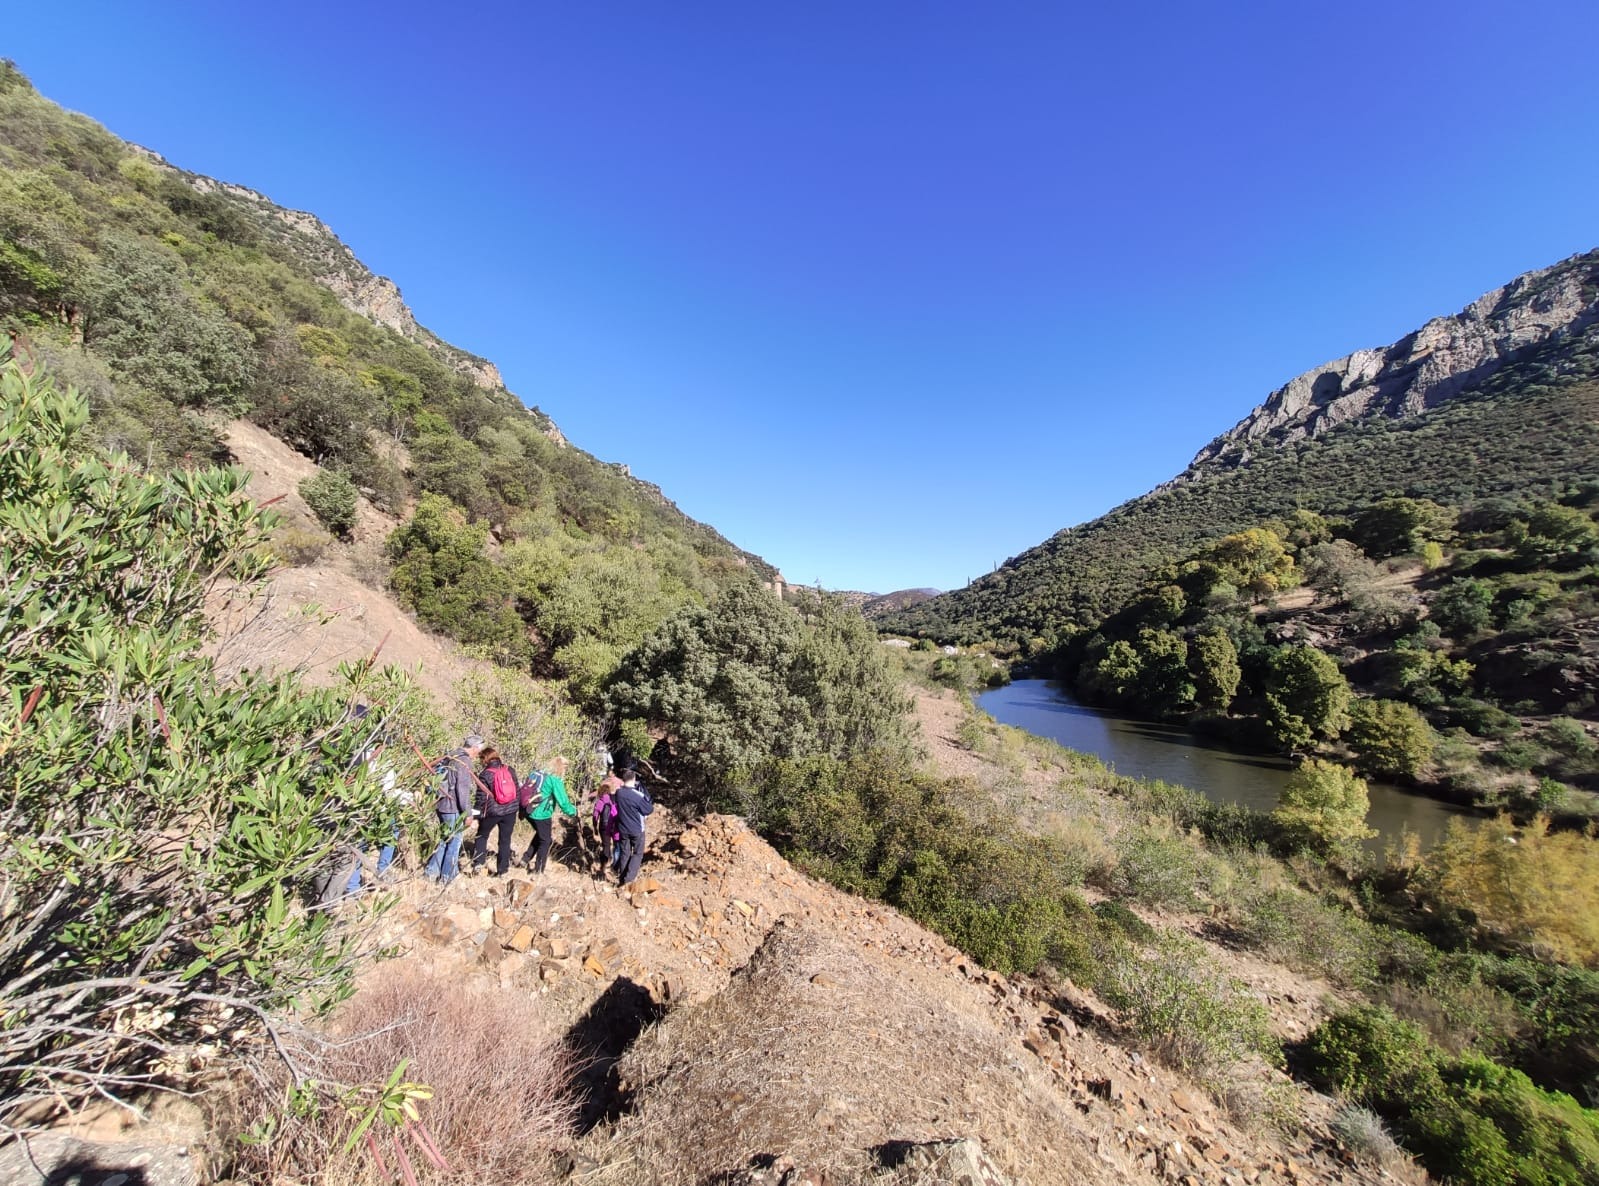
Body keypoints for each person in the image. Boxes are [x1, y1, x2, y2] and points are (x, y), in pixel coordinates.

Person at [425, 733, 482, 885]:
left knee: (445, 839)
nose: (478, 754)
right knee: (454, 842)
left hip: (441, 803)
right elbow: (462, 790)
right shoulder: (464, 761)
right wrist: (467, 813)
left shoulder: (451, 754)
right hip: (452, 807)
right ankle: (448, 876)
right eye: (479, 750)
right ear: (474, 748)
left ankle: (431, 872)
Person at [471, 745, 521, 877]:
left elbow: (481, 798)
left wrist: (476, 815)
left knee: (481, 836)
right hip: (510, 811)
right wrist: (516, 807)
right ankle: (503, 871)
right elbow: (517, 791)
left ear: (485, 759)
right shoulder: (510, 769)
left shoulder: (485, 774)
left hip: (492, 812)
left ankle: (479, 865)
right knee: (505, 840)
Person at [521, 756, 576, 874]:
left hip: (527, 810)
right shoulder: (554, 779)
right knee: (546, 840)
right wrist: (573, 812)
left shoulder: (537, 772)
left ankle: (525, 859)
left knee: (541, 835)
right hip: (541, 813)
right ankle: (539, 870)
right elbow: (563, 802)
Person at [612, 764, 654, 888]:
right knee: (637, 853)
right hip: (636, 829)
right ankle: (629, 879)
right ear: (634, 779)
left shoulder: (618, 793)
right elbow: (649, 809)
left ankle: (622, 878)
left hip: (623, 828)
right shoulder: (637, 796)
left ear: (623, 779)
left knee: (625, 853)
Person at [592, 768, 622, 878]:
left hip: (604, 825)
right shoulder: (616, 798)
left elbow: (595, 814)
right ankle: (615, 866)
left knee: (606, 845)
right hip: (615, 824)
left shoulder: (601, 800)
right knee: (617, 845)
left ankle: (604, 865)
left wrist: (595, 826)